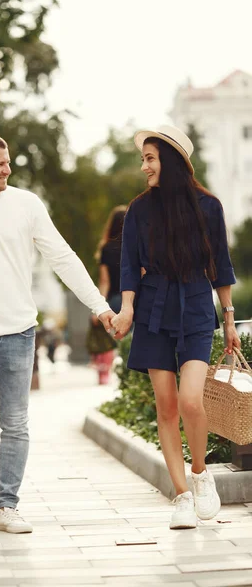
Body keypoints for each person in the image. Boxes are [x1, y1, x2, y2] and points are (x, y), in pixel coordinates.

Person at [0, 132, 114, 535]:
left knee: (15, 423)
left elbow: (62, 256)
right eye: (0, 163)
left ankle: (6, 506)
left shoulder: (27, 205)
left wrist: (99, 307)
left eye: (9, 161)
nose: (8, 169)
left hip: (18, 332)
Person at [111, 125, 240, 530]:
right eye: (144, 158)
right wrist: (127, 308)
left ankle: (200, 475)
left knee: (190, 401)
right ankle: (181, 494)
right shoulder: (139, 210)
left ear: (172, 161)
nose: (144, 165)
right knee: (166, 406)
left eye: (150, 158)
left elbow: (220, 264)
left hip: (197, 307)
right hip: (153, 309)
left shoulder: (209, 208)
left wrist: (230, 317)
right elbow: (128, 266)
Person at [90, 206, 127, 384]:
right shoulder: (134, 246)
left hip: (114, 300)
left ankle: (108, 373)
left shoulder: (106, 248)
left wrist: (99, 308)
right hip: (134, 299)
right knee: (133, 338)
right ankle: (131, 374)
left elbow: (105, 282)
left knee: (113, 339)